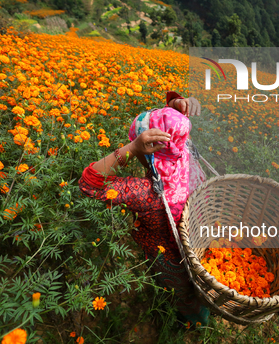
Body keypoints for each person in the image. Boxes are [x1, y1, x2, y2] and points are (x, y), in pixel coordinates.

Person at [78, 92, 209, 327]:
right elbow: (174, 127)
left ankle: (186, 322)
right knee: (202, 287)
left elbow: (89, 183)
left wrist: (131, 149)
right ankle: (201, 319)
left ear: (148, 152)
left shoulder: (145, 193)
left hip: (170, 260)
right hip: (203, 248)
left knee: (183, 294)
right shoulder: (190, 159)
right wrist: (175, 107)